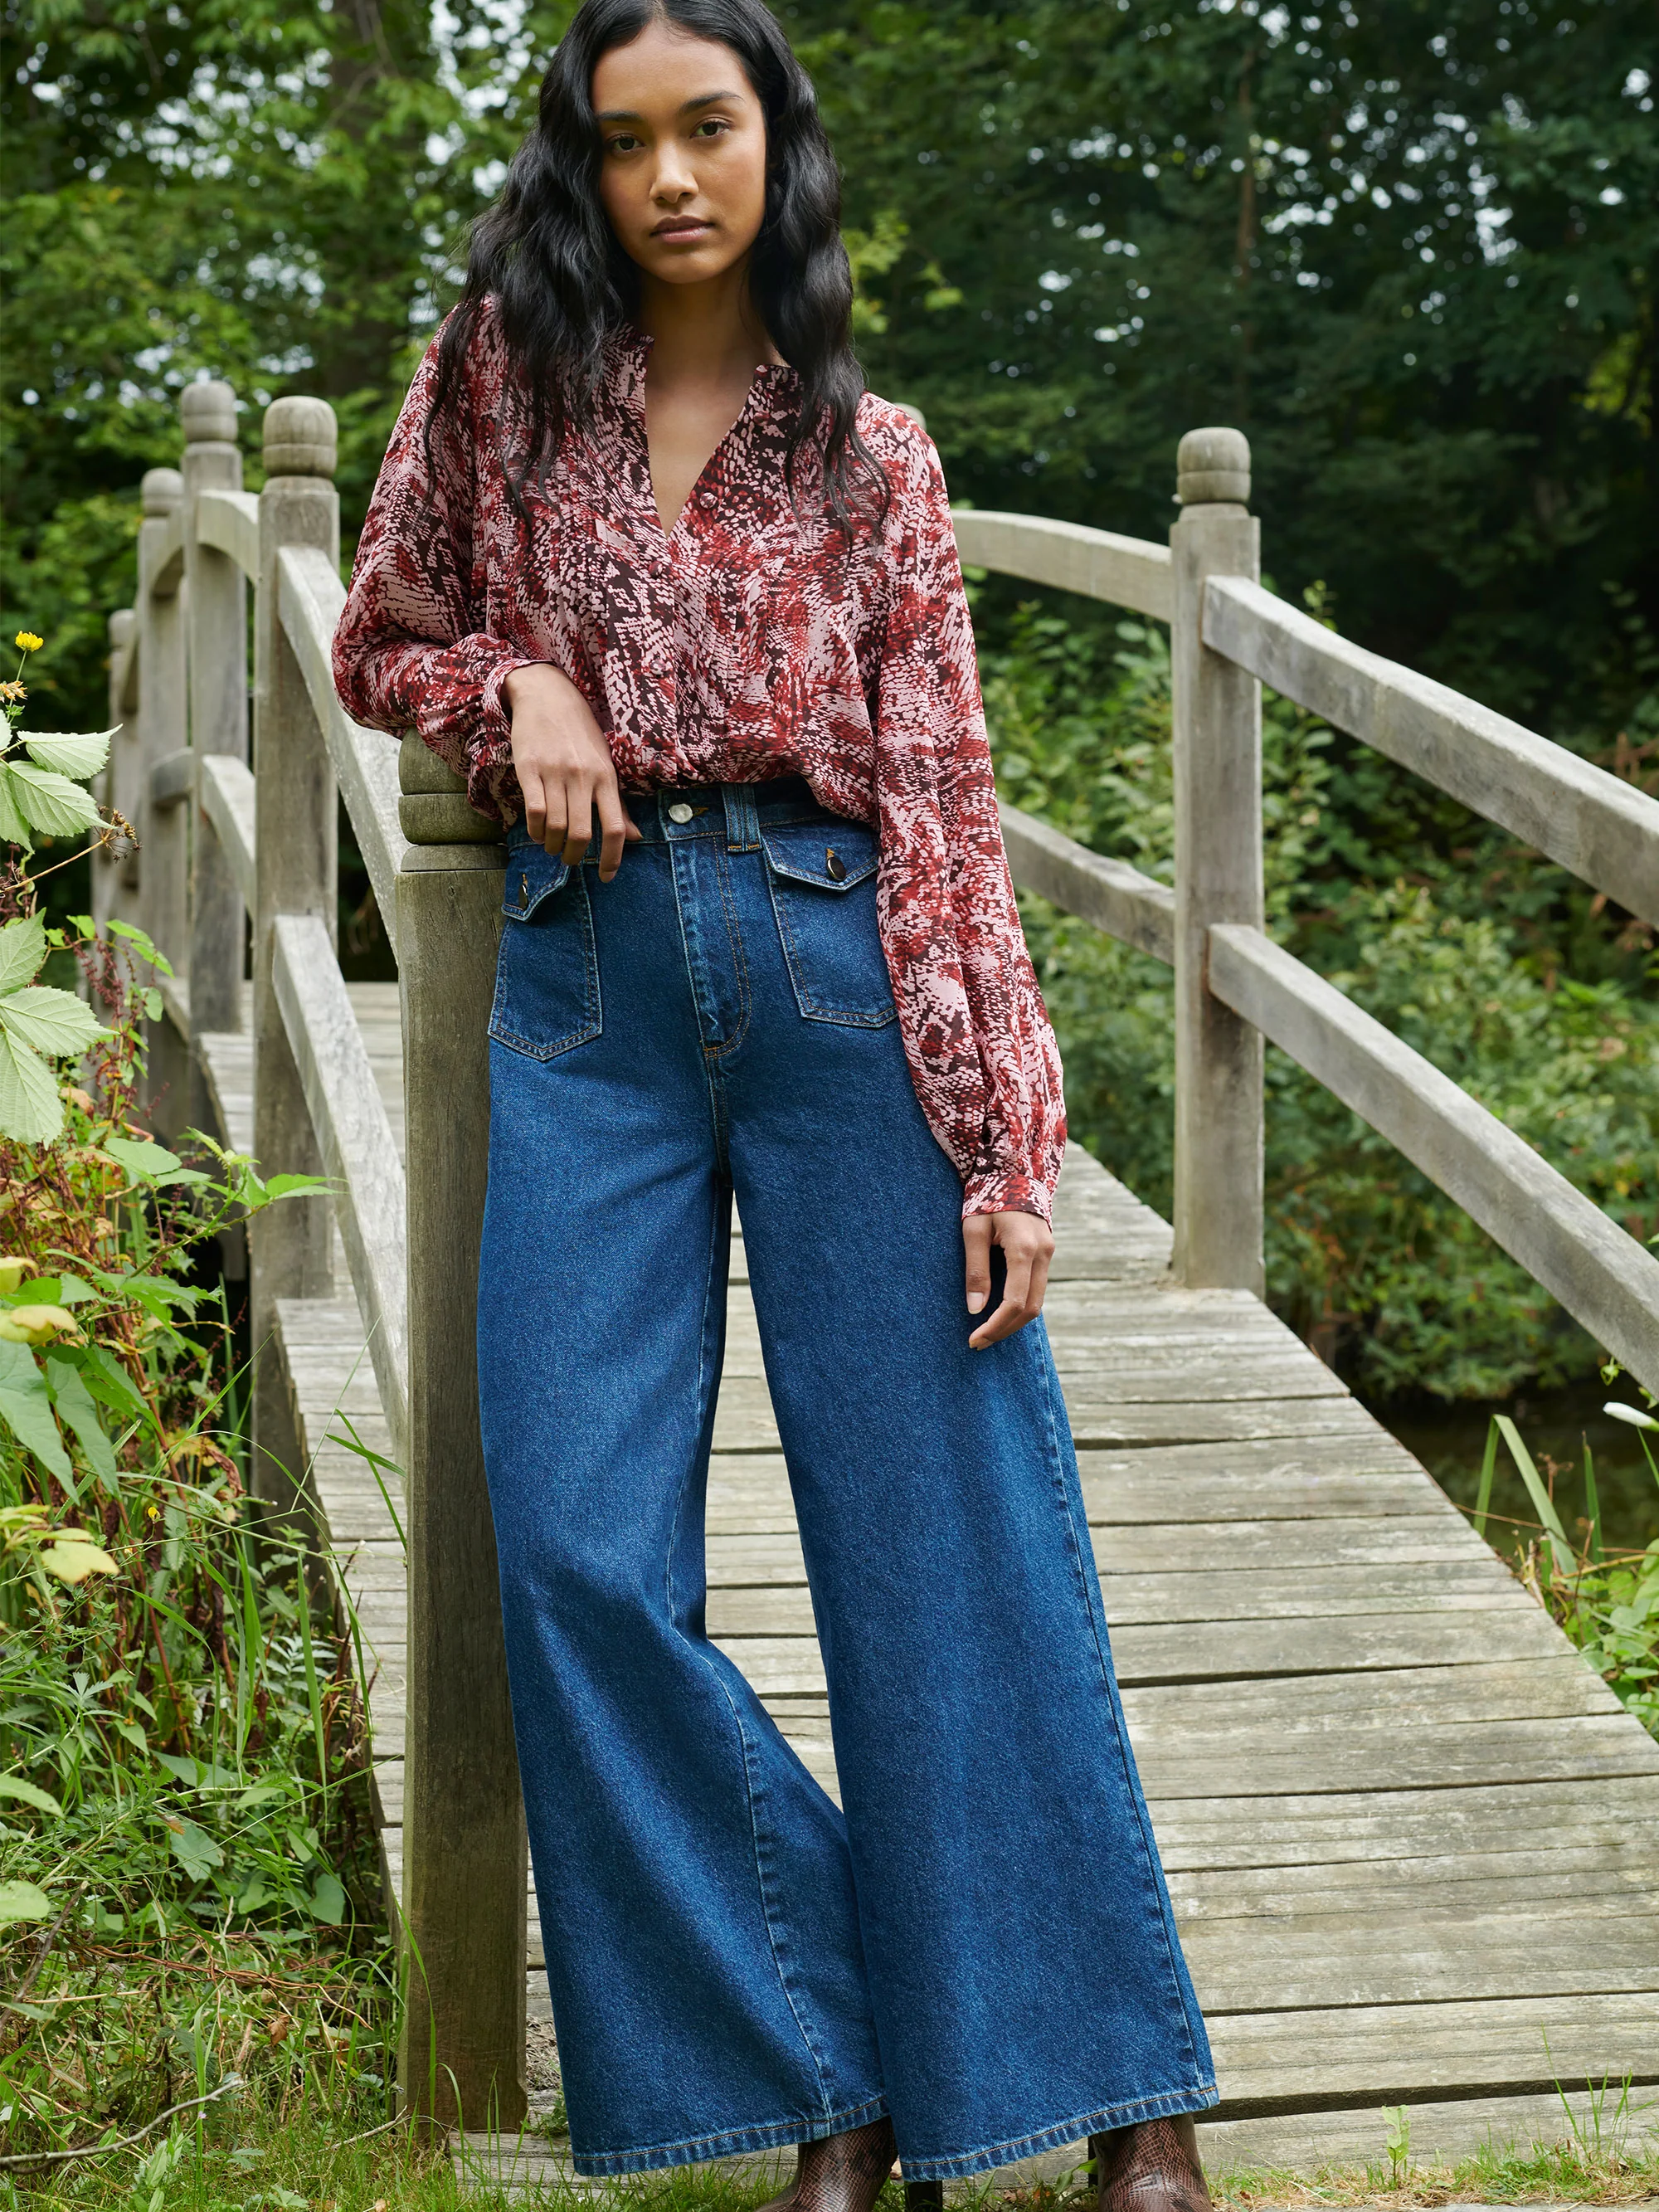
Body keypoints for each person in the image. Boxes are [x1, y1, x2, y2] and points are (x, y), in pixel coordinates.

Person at [333, 3, 1216, 2205]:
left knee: (955, 1555)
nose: (668, 180)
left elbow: (941, 795)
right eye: (623, 141)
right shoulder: (497, 382)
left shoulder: (875, 451)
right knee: (572, 1554)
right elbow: (379, 634)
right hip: (585, 998)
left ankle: (1126, 2098)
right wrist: (517, 676)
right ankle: (836, 2063)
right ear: (584, 166)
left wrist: (1007, 1134)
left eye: (705, 127)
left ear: (773, 142)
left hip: (840, 981)